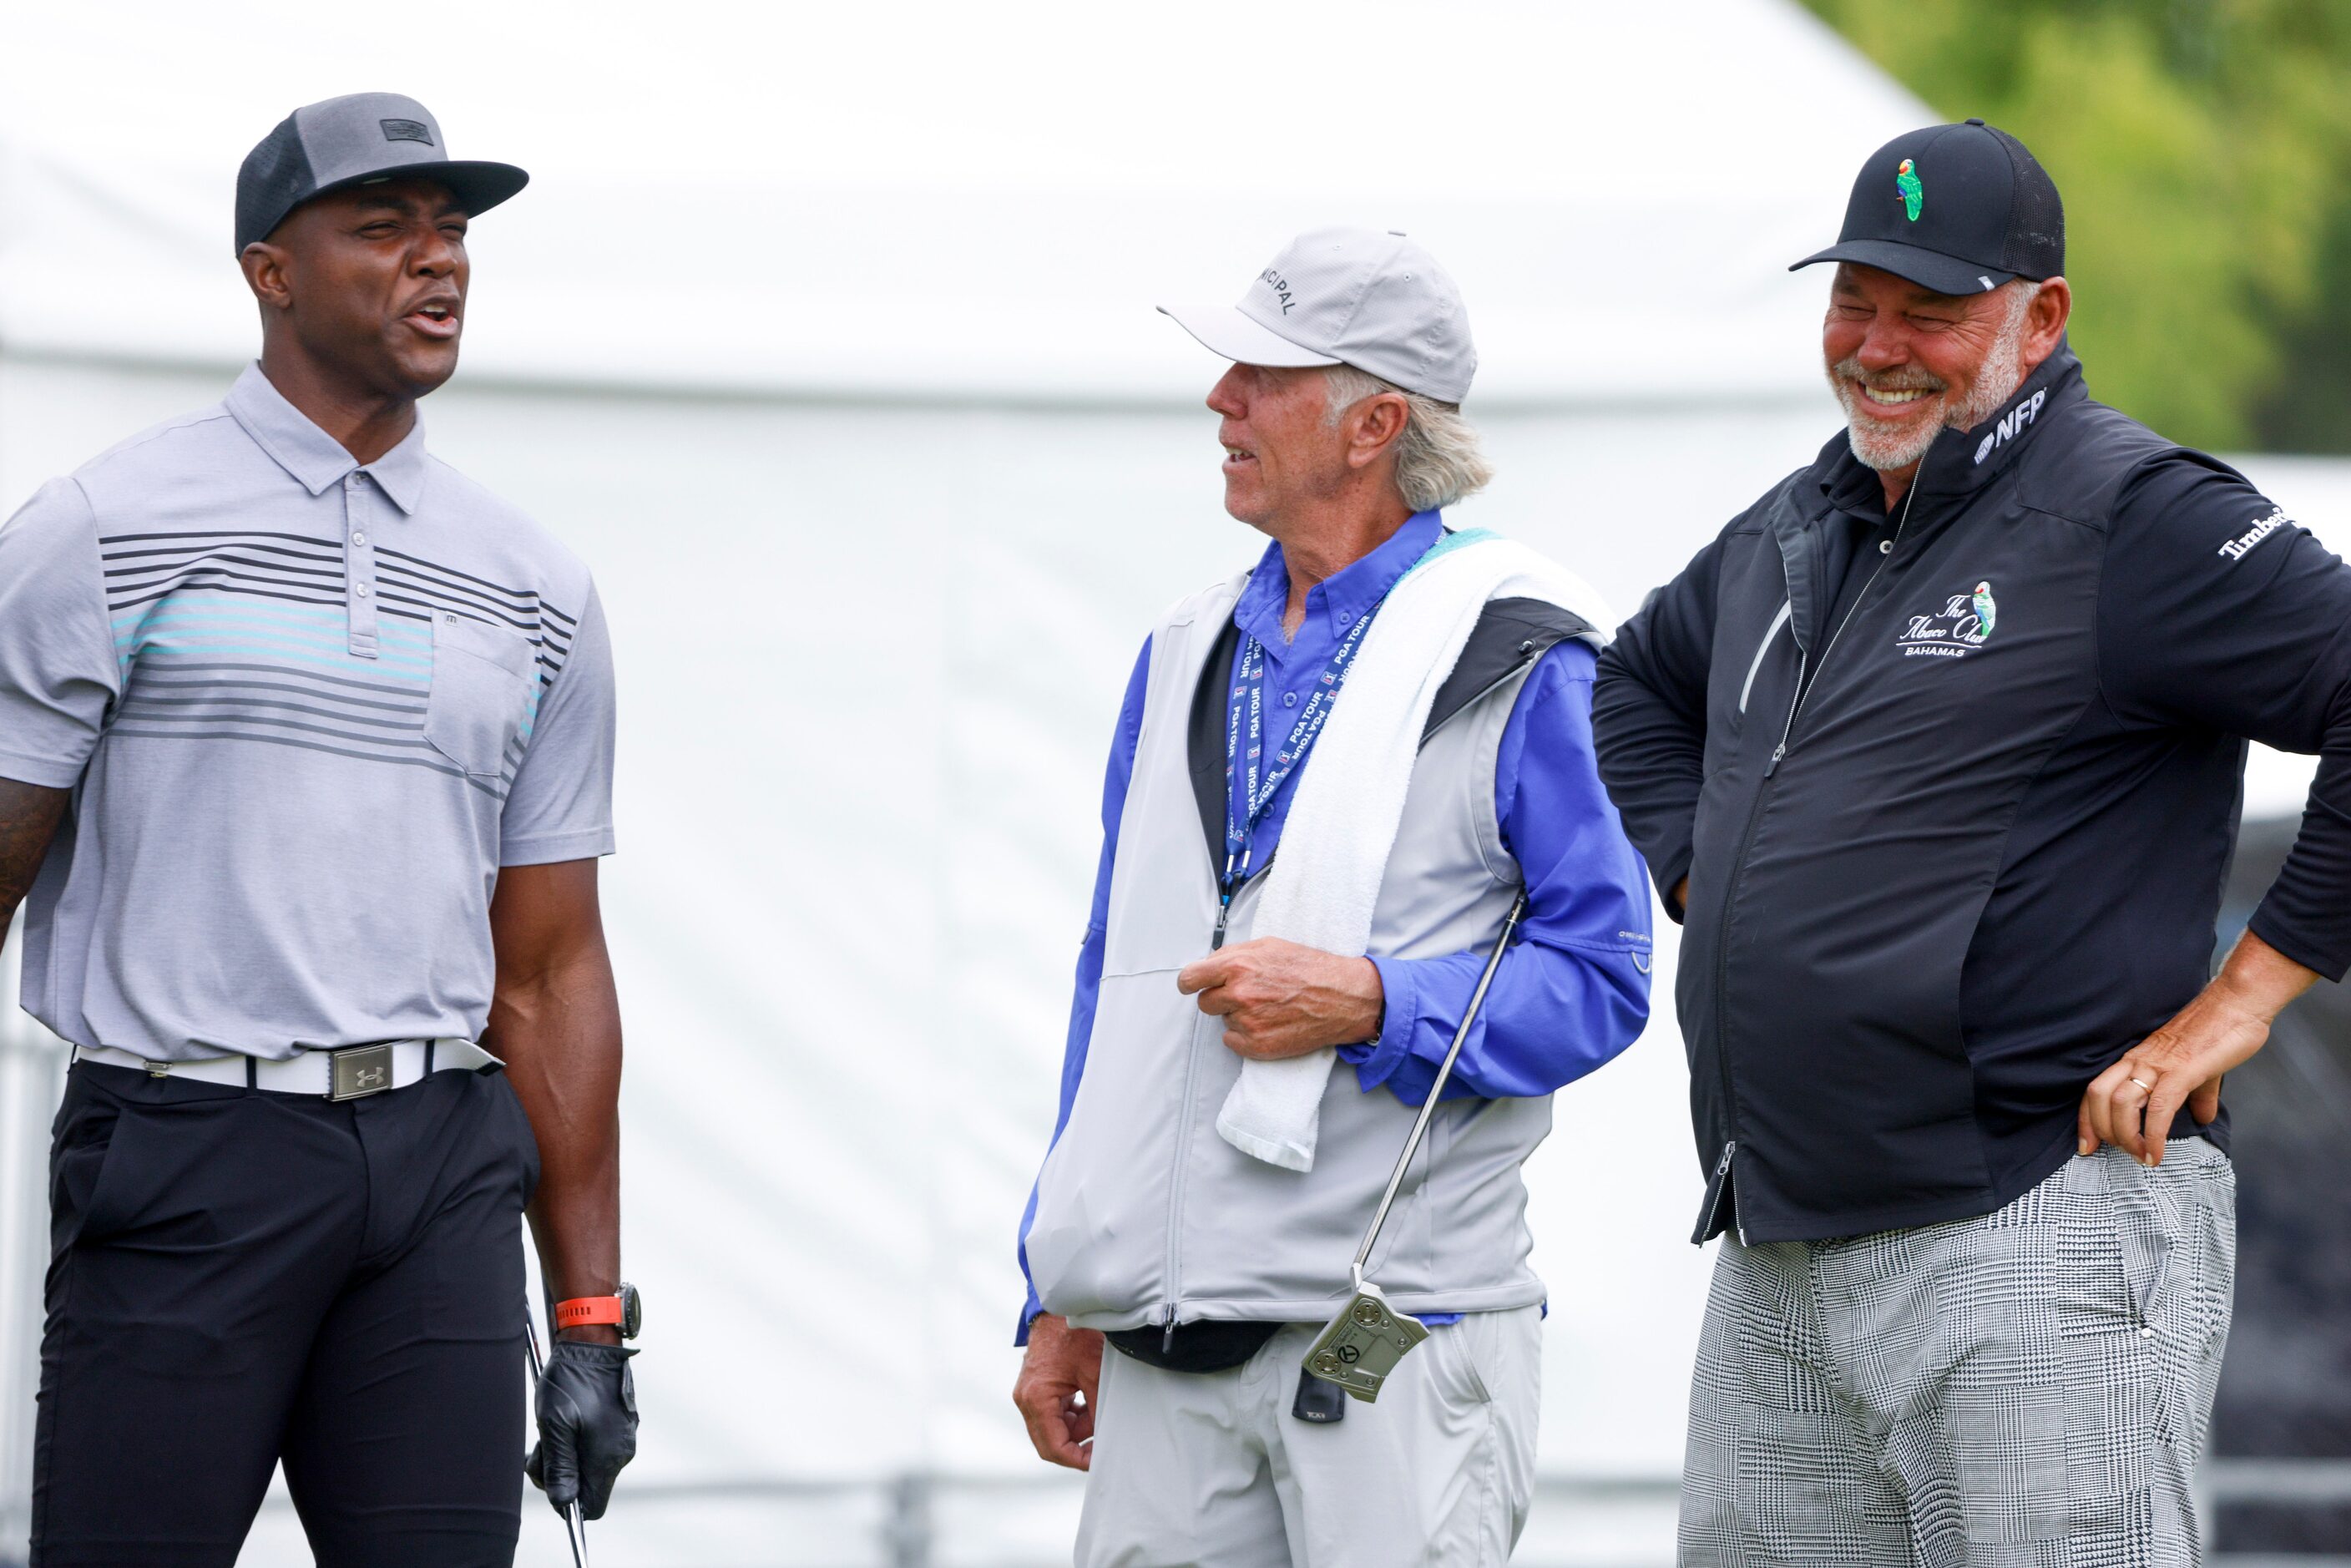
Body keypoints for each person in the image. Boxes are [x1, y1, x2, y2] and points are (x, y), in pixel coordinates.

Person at [1592, 119, 2351, 1565]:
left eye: (1930, 313)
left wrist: (2246, 999)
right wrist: (1709, 870)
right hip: (1777, 1250)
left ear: (2040, 315)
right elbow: (1633, 681)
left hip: (2039, 1226)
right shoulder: (1798, 521)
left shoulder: (2140, 517)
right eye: (1855, 299)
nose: (1879, 345)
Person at [0, 94, 639, 1566]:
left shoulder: (534, 583)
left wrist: (594, 1317)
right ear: (267, 270)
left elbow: (549, 972)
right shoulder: (104, 528)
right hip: (183, 1148)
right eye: (382, 228)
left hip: (440, 1173)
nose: (438, 263)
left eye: (454, 232)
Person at [1010, 227, 1653, 1566]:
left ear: (1373, 423)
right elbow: (1112, 976)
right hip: (1162, 1338)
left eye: (1261, 371)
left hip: (1395, 1337)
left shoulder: (1527, 655)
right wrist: (1059, 1283)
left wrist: (1369, 1002)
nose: (1219, 400)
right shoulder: (1181, 650)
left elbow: (1603, 980)